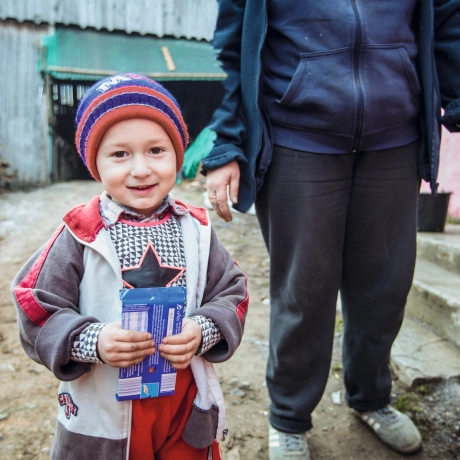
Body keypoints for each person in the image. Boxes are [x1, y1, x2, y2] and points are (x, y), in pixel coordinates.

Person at [203, 1, 460, 459]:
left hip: (395, 138)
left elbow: (446, 15)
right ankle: (289, 415)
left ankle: (371, 397)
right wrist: (226, 142)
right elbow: (230, 46)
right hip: (299, 137)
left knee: (385, 286)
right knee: (304, 290)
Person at [11, 74, 249, 460]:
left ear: (177, 154)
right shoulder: (80, 232)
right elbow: (33, 302)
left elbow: (232, 291)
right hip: (104, 406)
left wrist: (203, 329)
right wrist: (91, 341)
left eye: (156, 150)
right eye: (120, 154)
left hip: (182, 398)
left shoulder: (197, 229)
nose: (141, 169)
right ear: (95, 164)